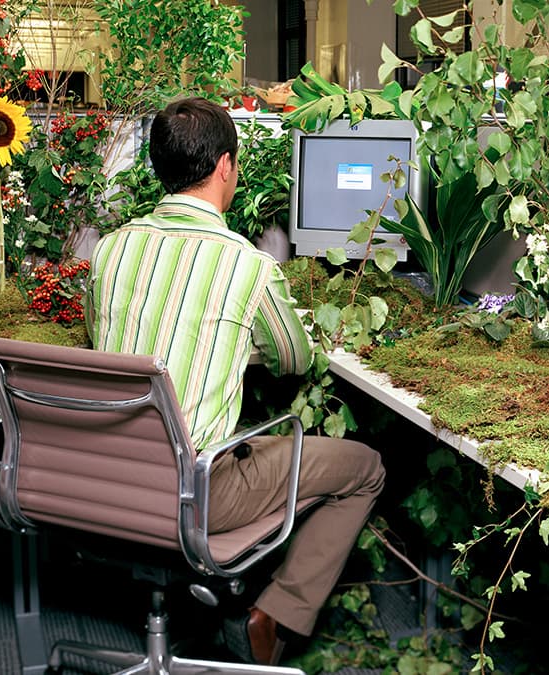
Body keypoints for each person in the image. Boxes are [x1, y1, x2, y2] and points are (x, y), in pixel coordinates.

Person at [87, 97, 386, 666]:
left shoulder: (111, 249)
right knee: (366, 468)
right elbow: (295, 360)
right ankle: (274, 614)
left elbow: (108, 340)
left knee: (237, 434)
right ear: (226, 167)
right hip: (198, 492)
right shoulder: (246, 264)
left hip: (111, 478)